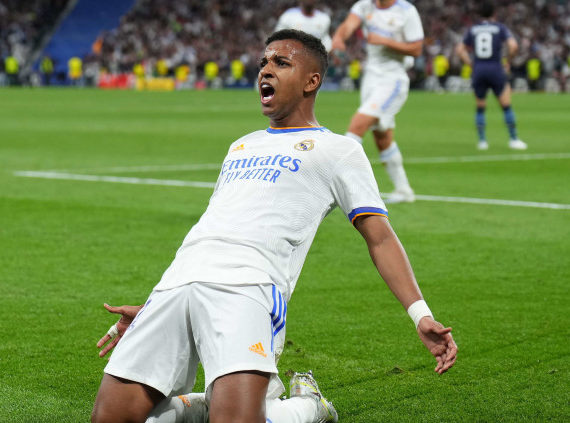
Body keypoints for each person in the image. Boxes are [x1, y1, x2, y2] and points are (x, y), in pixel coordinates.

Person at [91, 29, 457, 423]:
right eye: (264, 62)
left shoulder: (338, 150)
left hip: (249, 287)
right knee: (109, 419)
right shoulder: (241, 145)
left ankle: (307, 406)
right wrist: (156, 305)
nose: (266, 70)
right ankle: (212, 405)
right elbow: (217, 225)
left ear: (311, 81)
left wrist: (420, 314)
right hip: (177, 284)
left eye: (281, 63)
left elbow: (380, 238)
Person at [96, 303, 336, 423]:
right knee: (128, 416)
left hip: (248, 297)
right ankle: (210, 407)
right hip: (199, 290)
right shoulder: (204, 232)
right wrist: (149, 313)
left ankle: (308, 404)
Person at [331, 0, 424, 205]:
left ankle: (336, 184)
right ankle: (404, 189)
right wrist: (338, 39)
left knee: (358, 125)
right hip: (371, 78)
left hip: (393, 79)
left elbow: (417, 48)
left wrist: (385, 41)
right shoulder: (365, 6)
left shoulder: (406, 12)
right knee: (382, 136)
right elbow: (348, 25)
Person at [455, 1, 527, 151]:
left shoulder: (473, 29)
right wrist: (508, 61)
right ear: (494, 13)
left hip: (479, 69)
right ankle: (513, 139)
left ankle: (482, 141)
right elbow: (513, 46)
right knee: (506, 105)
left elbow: (459, 50)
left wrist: (470, 63)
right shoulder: (500, 28)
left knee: (480, 106)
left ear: (480, 13)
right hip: (495, 68)